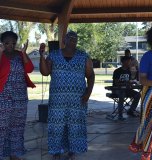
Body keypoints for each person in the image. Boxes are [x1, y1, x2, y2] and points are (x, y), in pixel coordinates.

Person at [39, 31, 95, 160]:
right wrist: (42, 56)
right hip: (57, 100)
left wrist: (88, 93)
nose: (72, 40)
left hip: (77, 100)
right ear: (64, 40)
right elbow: (45, 72)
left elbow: (91, 75)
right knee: (57, 126)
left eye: (75, 38)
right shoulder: (53, 55)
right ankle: (56, 151)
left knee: (75, 126)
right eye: (70, 38)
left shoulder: (83, 56)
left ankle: (72, 151)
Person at [0, 31, 35, 160]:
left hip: (20, 97)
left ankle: (15, 153)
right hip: (3, 96)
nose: (10, 45)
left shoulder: (20, 55)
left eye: (13, 43)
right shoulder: (1, 54)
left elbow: (30, 69)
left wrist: (24, 53)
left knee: (18, 126)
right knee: (2, 127)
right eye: (7, 43)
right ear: (2, 43)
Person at [128, 26, 152, 160]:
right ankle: (146, 152)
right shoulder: (147, 56)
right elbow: (142, 79)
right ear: (151, 39)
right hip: (151, 92)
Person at [112, 56, 141, 120]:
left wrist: (132, 83)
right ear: (124, 62)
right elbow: (116, 83)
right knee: (122, 95)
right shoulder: (117, 71)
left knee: (138, 95)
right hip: (117, 89)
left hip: (127, 89)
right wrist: (126, 83)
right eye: (128, 61)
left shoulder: (129, 71)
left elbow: (129, 81)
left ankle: (131, 110)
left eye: (130, 61)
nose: (130, 63)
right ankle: (120, 115)